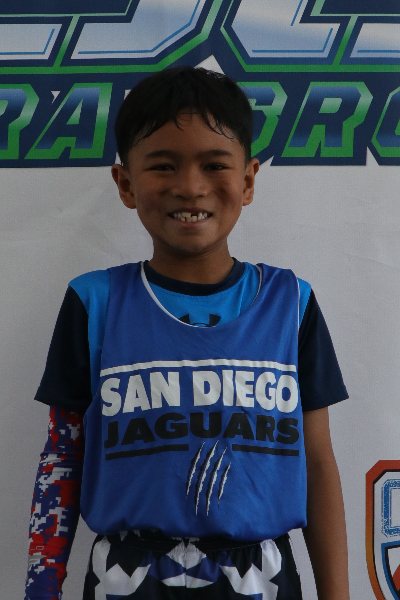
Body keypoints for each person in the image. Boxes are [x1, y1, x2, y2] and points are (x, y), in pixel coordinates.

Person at [25, 66, 350, 600]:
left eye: (214, 164)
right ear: (126, 184)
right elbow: (63, 454)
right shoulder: (94, 302)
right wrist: (41, 587)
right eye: (163, 165)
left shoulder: (291, 303)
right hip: (125, 577)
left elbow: (317, 462)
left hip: (260, 577)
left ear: (248, 180)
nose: (190, 187)